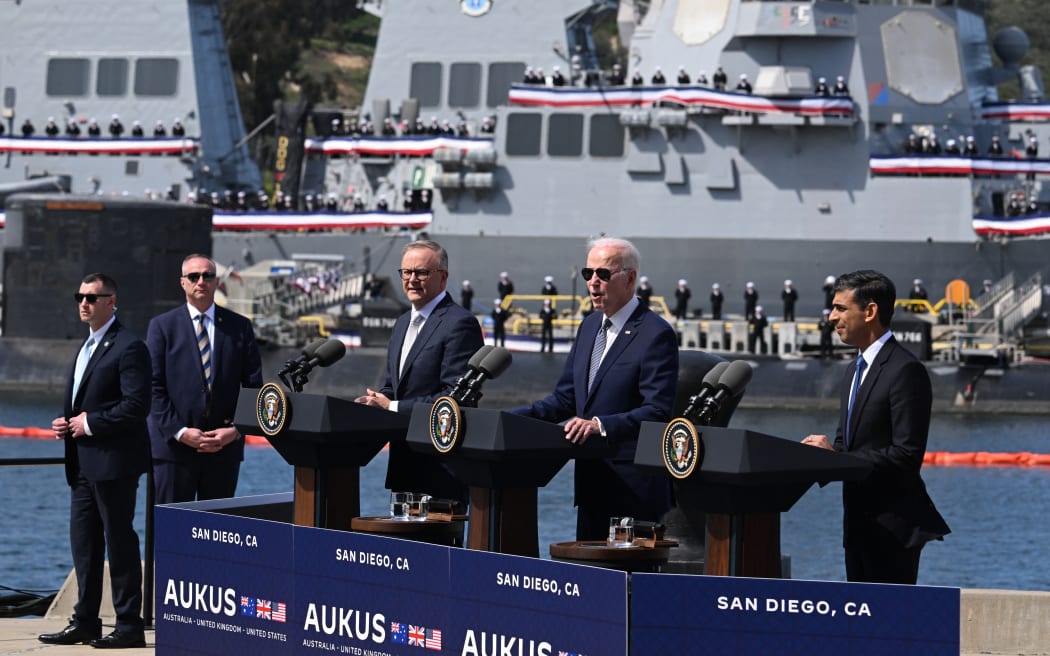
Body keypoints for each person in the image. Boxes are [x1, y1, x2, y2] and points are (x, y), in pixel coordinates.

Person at [510, 238, 678, 539]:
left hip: (634, 491)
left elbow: (658, 410)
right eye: (589, 274)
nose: (593, 282)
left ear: (630, 278)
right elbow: (567, 399)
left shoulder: (656, 334)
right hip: (591, 485)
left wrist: (599, 425)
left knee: (625, 584)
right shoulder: (589, 327)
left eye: (603, 274)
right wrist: (511, 418)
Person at [802, 270, 949, 583]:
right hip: (858, 528)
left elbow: (906, 456)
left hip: (892, 532)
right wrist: (816, 457)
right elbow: (847, 447)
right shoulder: (854, 371)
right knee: (861, 629)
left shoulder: (905, 370)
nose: (831, 317)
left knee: (888, 628)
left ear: (870, 312)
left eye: (841, 308)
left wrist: (838, 458)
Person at [40, 273, 149, 648]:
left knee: (119, 543)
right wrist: (68, 424)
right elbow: (86, 402)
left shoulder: (129, 346)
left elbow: (137, 406)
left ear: (111, 301)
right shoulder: (86, 346)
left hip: (115, 464)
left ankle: (129, 626)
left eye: (91, 297)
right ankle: (85, 621)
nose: (83, 303)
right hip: (83, 464)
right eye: (79, 297)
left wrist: (91, 423)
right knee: (84, 545)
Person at [355, 240, 484, 503]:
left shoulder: (459, 324)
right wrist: (375, 402)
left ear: (443, 278)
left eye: (422, 272)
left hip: (441, 469)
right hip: (405, 467)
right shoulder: (403, 322)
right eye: (406, 272)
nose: (412, 279)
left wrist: (392, 407)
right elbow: (394, 386)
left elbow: (455, 399)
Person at [146, 254, 263, 504]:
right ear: (183, 282)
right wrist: (180, 431)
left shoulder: (239, 327)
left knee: (218, 532)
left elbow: (254, 387)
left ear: (216, 281)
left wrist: (235, 431)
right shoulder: (162, 327)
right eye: (194, 276)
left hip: (224, 451)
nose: (201, 281)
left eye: (207, 276)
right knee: (172, 534)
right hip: (174, 451)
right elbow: (153, 388)